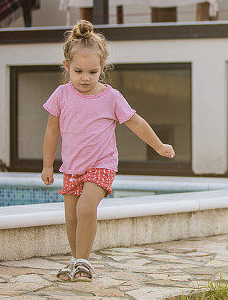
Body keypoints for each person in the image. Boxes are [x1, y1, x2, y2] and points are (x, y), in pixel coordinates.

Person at [41, 20, 175, 282]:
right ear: (66, 66)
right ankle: (76, 260)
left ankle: (84, 261)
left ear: (102, 68)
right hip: (72, 166)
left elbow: (135, 122)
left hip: (102, 164)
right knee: (71, 217)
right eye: (78, 71)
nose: (85, 78)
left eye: (93, 72)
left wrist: (158, 145)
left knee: (86, 209)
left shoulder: (110, 97)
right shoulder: (61, 95)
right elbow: (51, 132)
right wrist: (47, 165)